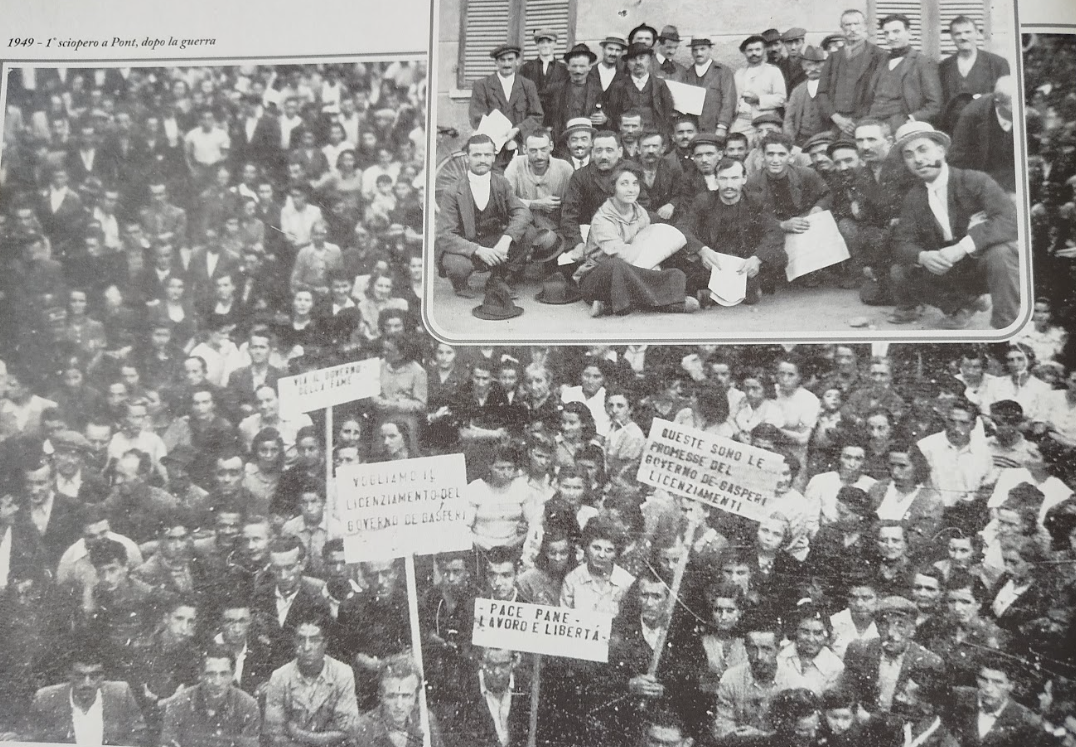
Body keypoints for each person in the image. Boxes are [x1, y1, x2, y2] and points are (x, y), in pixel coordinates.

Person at [889, 121, 1020, 330]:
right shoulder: (914, 197)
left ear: (940, 150)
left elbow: (1010, 220)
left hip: (981, 262)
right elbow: (902, 241)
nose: (918, 160)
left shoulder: (974, 180)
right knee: (900, 271)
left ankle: (1007, 327)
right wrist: (923, 256)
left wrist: (962, 248)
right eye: (909, 155)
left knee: (1002, 254)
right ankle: (965, 303)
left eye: (923, 149)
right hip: (949, 269)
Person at [574, 161, 698, 318]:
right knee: (617, 266)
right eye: (624, 184)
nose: (631, 189)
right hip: (597, 276)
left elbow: (646, 253)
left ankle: (611, 304)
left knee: (675, 272)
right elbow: (625, 256)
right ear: (613, 188)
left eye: (635, 184)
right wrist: (642, 240)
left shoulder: (640, 213)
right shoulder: (602, 219)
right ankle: (671, 304)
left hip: (633, 270)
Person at [677, 156, 786, 305]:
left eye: (734, 178)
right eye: (723, 179)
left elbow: (774, 232)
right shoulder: (704, 201)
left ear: (744, 179)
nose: (729, 185)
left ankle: (712, 295)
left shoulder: (756, 201)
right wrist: (702, 250)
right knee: (684, 262)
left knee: (778, 257)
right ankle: (743, 292)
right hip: (714, 263)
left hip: (747, 263)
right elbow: (683, 227)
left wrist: (757, 258)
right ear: (716, 180)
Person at [435, 134, 530, 298]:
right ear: (467, 157)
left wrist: (506, 239)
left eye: (487, 155)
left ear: (494, 157)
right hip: (468, 245)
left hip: (495, 241)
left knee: (528, 233)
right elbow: (445, 234)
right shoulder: (452, 191)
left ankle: (500, 277)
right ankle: (460, 284)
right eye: (476, 155)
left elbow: (522, 211)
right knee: (456, 265)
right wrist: (477, 250)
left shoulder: (501, 183)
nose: (482, 159)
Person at [26, 641, 147, 745]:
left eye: (94, 676)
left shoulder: (121, 694)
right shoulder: (46, 698)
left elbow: (139, 737)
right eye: (80, 676)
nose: (87, 683)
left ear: (103, 675)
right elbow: (33, 738)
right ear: (68, 674)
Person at [263, 614, 358, 747]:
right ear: (294, 642)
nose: (307, 647)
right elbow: (275, 735)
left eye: (314, 640)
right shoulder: (280, 676)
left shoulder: (342, 673)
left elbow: (346, 731)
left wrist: (299, 734)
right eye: (301, 639)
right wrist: (319, 739)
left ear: (325, 643)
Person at [841, 595, 944, 714]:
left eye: (900, 625)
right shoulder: (859, 651)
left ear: (912, 630)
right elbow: (848, 698)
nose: (891, 633)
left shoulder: (928, 662)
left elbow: (929, 712)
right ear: (877, 627)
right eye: (884, 624)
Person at [160, 646, 260, 747]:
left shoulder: (248, 706)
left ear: (233, 675)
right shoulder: (180, 702)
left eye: (224, 674)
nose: (217, 682)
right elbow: (168, 744)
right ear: (200, 675)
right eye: (210, 674)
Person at [817, 9, 888, 136]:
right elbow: (822, 92)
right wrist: (836, 118)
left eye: (857, 24)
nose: (853, 29)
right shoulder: (834, 57)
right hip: (835, 123)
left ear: (865, 26)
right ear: (842, 28)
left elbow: (882, 94)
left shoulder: (879, 55)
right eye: (848, 25)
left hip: (865, 123)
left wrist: (862, 122)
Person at [437, 647, 527, 747]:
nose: (496, 672)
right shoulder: (464, 692)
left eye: (503, 665)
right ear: (480, 661)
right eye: (490, 665)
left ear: (515, 661)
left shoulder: (527, 690)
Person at [468, 44, 544, 161]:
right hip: (492, 149)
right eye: (502, 60)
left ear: (517, 61)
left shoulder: (527, 85)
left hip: (520, 146)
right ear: (496, 63)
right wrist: (502, 138)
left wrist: (517, 130)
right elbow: (476, 117)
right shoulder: (482, 85)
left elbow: (537, 116)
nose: (506, 64)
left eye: (510, 59)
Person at [866, 14, 942, 131]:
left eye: (896, 32)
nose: (891, 37)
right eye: (886, 33)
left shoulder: (923, 62)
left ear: (909, 32)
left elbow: (935, 104)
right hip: (872, 121)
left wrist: (911, 119)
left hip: (900, 123)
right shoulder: (881, 61)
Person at [353, 653, 445, 747]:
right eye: (392, 696)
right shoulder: (363, 728)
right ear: (380, 695)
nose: (399, 705)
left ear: (416, 695)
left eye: (406, 696)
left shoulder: (425, 719)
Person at [938, 16, 1011, 133]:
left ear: (977, 33)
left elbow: (1006, 100)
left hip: (987, 129)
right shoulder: (943, 66)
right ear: (952, 37)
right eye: (958, 34)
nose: (963, 37)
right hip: (953, 130)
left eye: (968, 32)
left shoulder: (997, 63)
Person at [949, 76, 1018, 193]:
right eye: (1013, 109)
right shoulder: (971, 115)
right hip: (985, 180)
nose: (1020, 112)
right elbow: (958, 159)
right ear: (997, 103)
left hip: (1014, 177)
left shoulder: (1030, 115)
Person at [605, 43, 676, 135]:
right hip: (628, 135)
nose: (638, 63)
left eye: (641, 58)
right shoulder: (618, 86)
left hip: (654, 134)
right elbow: (613, 115)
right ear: (627, 63)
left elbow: (668, 111)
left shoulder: (660, 84)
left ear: (649, 61)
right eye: (633, 59)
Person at [678, 37, 736, 141]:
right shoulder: (687, 74)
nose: (698, 53)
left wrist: (722, 126)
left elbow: (729, 101)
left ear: (710, 49)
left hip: (715, 128)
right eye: (695, 50)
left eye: (702, 49)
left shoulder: (722, 72)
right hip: (694, 130)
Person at [732, 35, 787, 136]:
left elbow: (781, 99)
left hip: (764, 120)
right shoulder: (739, 73)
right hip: (741, 120)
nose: (754, 53)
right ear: (744, 52)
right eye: (750, 50)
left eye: (758, 49)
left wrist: (758, 99)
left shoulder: (773, 71)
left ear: (764, 50)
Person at [783, 45, 829, 147]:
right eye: (809, 64)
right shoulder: (798, 90)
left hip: (825, 139)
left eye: (818, 65)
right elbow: (788, 119)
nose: (813, 68)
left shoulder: (831, 88)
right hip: (801, 140)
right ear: (803, 66)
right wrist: (791, 141)